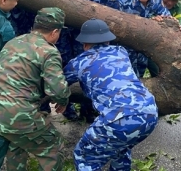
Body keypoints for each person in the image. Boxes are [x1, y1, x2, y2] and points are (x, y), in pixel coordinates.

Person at [0, 8, 71, 171]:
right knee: (53, 144)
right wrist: (63, 101)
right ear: (55, 31)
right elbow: (57, 89)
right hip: (18, 115)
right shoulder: (49, 52)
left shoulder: (14, 42)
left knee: (18, 142)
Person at [64, 18, 158, 171]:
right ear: (108, 41)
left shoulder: (79, 63)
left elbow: (59, 83)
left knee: (84, 157)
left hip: (118, 117)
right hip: (150, 112)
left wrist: (61, 101)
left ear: (85, 44)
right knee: (120, 149)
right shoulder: (121, 51)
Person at [118, 0, 171, 77]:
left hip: (145, 46)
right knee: (128, 76)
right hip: (127, 47)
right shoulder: (123, 2)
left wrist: (159, 20)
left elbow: (167, 18)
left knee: (141, 73)